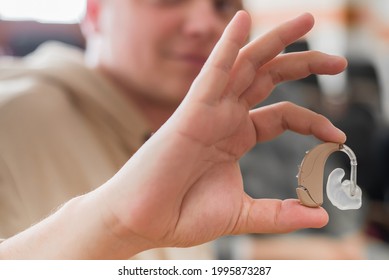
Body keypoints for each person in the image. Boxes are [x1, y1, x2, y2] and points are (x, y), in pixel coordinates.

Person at [0, 1, 347, 259]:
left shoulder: (208, 149)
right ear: (95, 11)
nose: (205, 24)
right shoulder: (12, 121)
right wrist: (114, 226)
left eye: (223, 6)